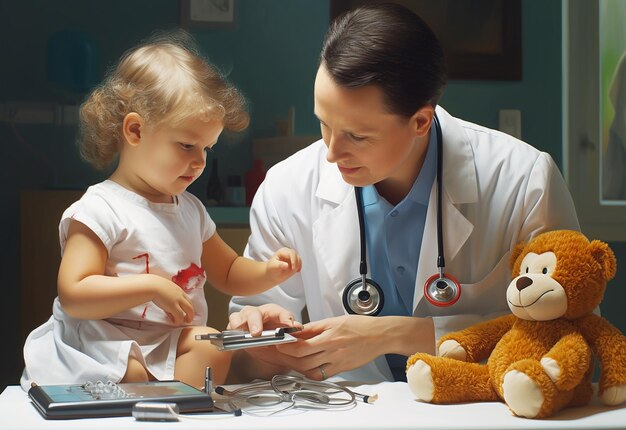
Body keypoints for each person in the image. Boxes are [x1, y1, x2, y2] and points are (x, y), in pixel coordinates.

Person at [227, 3, 580, 384]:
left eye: (357, 136)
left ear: (420, 121)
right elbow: (247, 352)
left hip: (484, 409)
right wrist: (263, 340)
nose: (331, 152)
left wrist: (391, 336)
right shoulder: (287, 187)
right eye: (324, 124)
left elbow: (566, 333)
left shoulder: (523, 181)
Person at [20, 31, 301, 391]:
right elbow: (75, 292)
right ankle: (150, 395)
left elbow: (229, 271)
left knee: (213, 347)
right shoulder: (100, 210)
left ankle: (169, 406)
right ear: (135, 130)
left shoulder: (191, 211)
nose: (199, 161)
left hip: (167, 339)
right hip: (101, 342)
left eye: (207, 148)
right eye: (187, 145)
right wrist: (150, 286)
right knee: (131, 373)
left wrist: (269, 271)